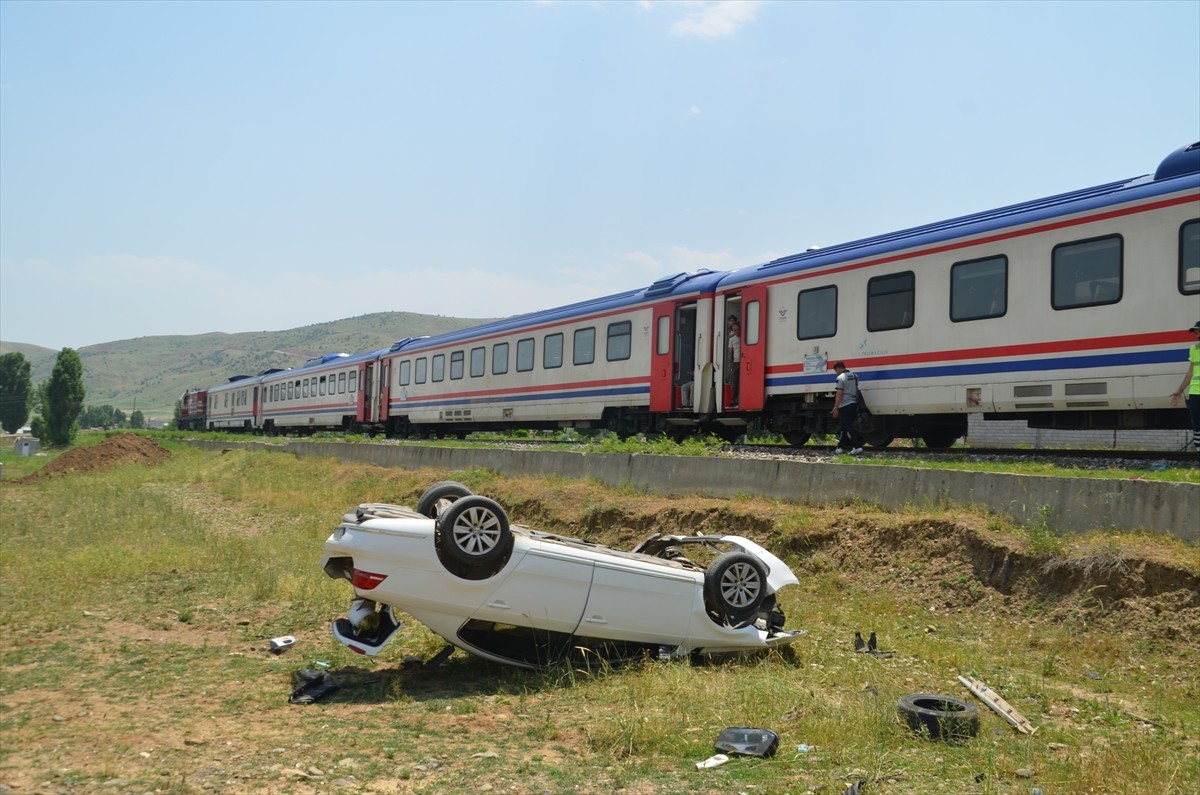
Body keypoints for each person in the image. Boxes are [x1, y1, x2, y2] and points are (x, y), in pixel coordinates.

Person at [1170, 319, 1200, 465]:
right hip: (1195, 392)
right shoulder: (1194, 349)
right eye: (1195, 332)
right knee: (1197, 426)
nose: (1196, 334)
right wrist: (1179, 390)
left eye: (1198, 331)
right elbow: (1190, 372)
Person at [831, 360, 863, 455]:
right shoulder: (855, 375)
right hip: (854, 403)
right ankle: (840, 448)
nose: (836, 373)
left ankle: (857, 447)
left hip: (845, 404)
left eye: (836, 370)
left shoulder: (840, 378)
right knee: (845, 426)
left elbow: (839, 393)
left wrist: (836, 407)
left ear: (838, 368)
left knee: (847, 426)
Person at [727, 315, 741, 407]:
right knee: (734, 382)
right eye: (734, 330)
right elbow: (730, 352)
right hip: (736, 362)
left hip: (743, 361)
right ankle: (733, 400)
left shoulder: (744, 337)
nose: (736, 331)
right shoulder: (732, 339)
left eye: (737, 330)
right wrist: (730, 363)